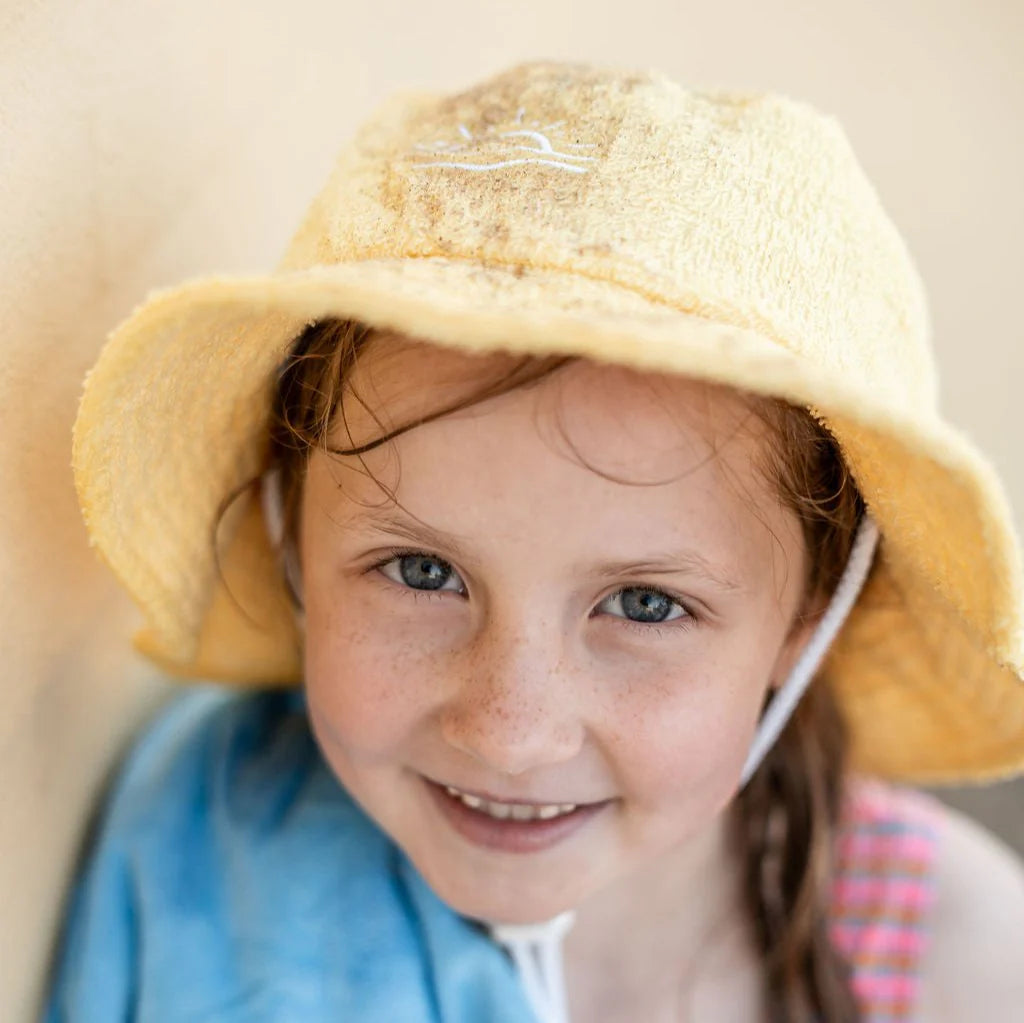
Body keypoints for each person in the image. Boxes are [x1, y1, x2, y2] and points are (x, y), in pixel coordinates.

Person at [44, 60, 1024, 1022]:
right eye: (421, 572)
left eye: (644, 603)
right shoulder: (202, 855)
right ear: (292, 547)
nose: (511, 736)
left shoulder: (961, 970)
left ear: (805, 619)